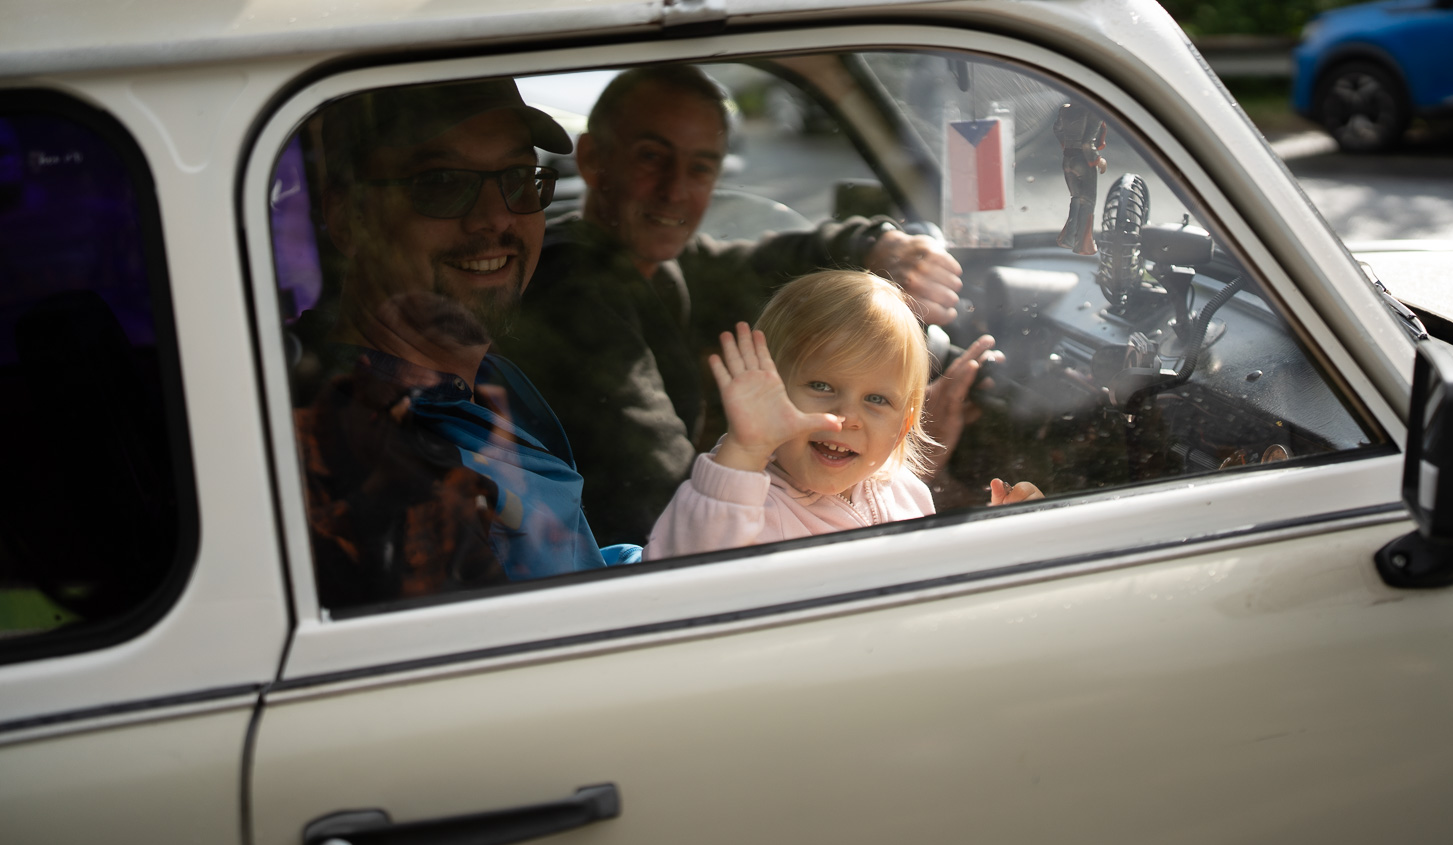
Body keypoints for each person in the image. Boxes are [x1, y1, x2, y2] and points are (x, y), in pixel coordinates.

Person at [502, 63, 991, 547]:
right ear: (593, 160)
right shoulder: (573, 288)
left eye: (700, 167)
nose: (675, 190)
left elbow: (751, 264)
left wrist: (873, 245)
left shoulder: (654, 262)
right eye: (651, 158)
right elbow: (657, 501)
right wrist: (759, 452)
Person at [293, 78, 638, 610]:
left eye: (518, 178)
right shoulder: (362, 459)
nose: (495, 217)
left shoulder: (491, 384)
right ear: (349, 217)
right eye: (441, 182)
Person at [646, 271, 1040, 560]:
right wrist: (745, 451)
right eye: (821, 386)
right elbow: (686, 578)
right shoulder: (743, 504)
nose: (846, 417)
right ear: (767, 393)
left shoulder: (904, 491)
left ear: (904, 424)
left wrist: (998, 543)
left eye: (876, 399)